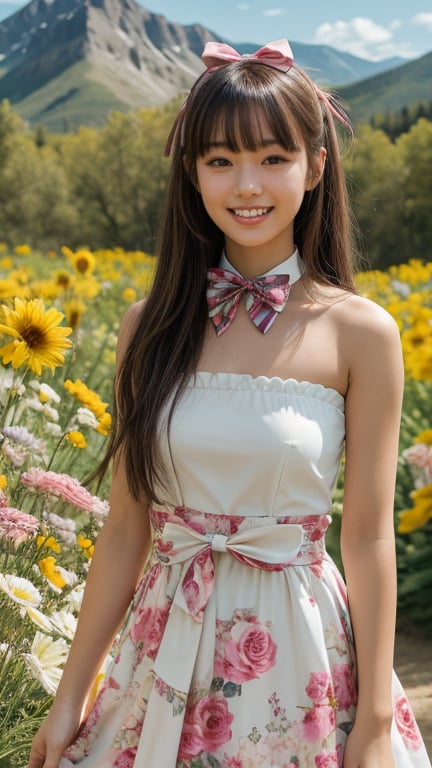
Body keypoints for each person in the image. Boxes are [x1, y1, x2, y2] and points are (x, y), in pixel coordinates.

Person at [28, 39, 430, 768]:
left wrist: (372, 720)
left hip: (301, 661)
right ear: (192, 174)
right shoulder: (145, 326)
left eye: (273, 158)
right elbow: (124, 529)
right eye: (220, 161)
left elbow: (369, 538)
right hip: (161, 651)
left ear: (315, 164)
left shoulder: (360, 332)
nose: (247, 185)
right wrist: (69, 695)